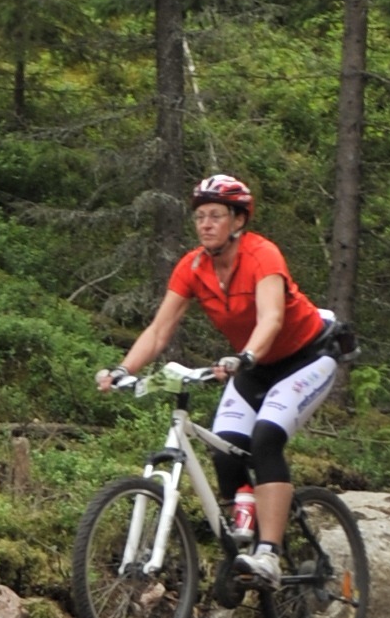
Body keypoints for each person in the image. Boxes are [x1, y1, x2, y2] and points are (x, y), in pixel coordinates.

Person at [98, 173, 342, 589]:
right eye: (200, 217)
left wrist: (245, 356)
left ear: (238, 220)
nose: (206, 224)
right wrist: (124, 369)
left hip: (306, 358)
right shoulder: (193, 267)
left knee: (265, 438)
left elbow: (271, 319)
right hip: (253, 365)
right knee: (225, 446)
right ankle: (243, 539)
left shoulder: (262, 255)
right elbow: (159, 331)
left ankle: (269, 554)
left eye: (216, 215)